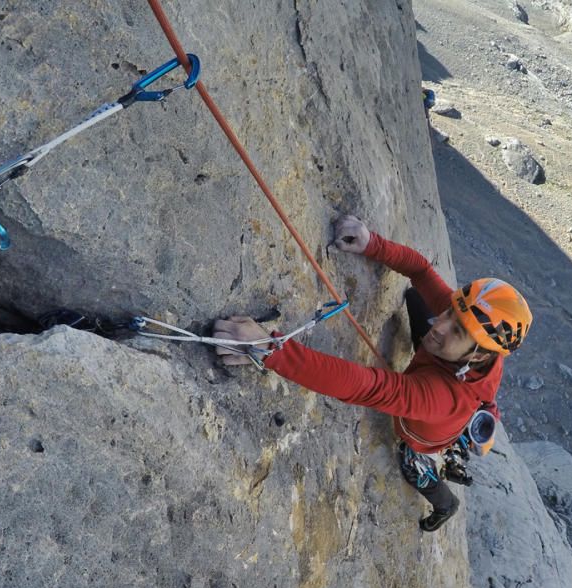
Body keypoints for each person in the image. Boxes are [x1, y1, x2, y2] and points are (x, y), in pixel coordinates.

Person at [213, 215, 532, 532]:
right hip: (439, 371)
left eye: (458, 330)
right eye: (449, 311)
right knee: (417, 297)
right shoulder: (473, 330)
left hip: (421, 431)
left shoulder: (444, 398)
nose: (441, 324)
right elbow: (421, 269)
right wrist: (372, 244)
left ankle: (445, 503)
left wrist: (271, 350)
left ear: (479, 354)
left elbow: (367, 386)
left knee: (411, 461)